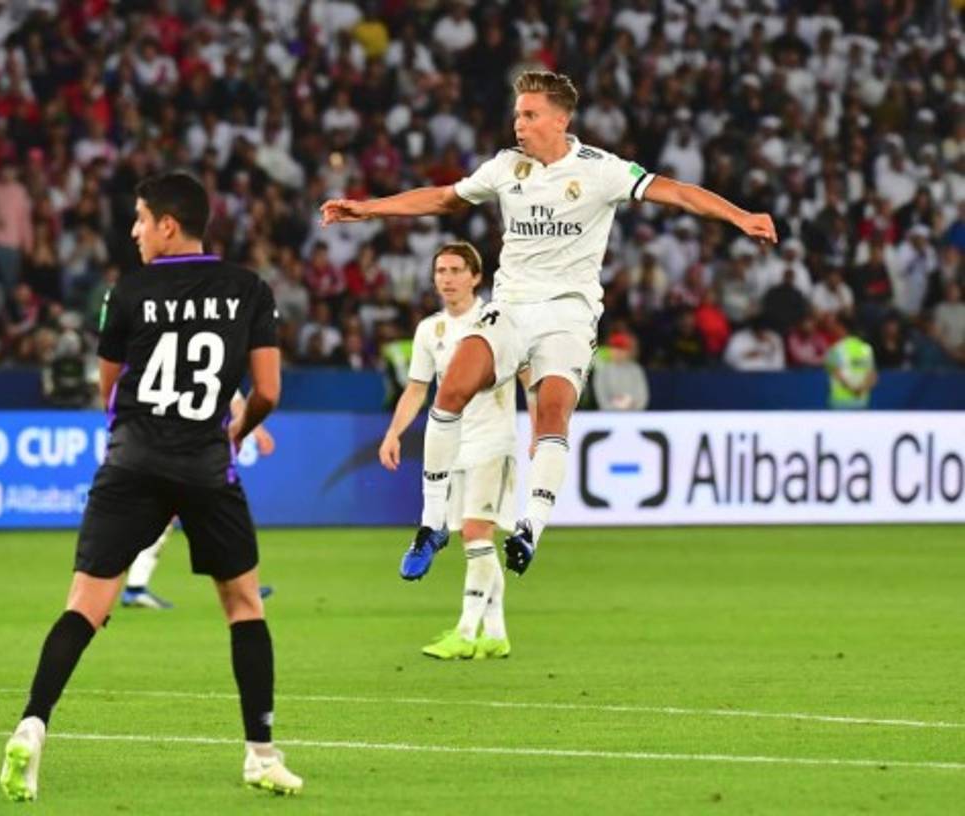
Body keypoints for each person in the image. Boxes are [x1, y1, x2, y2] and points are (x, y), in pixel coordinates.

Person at [322, 70, 776, 576]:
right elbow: (444, 198)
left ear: (561, 120)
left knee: (552, 413)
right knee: (450, 389)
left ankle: (531, 527)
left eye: (530, 114)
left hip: (569, 313)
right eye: (517, 114)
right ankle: (432, 525)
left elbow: (678, 192)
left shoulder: (602, 170)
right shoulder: (505, 167)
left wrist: (739, 216)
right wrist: (369, 209)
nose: (519, 124)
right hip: (512, 306)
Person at [0, 172, 301, 801]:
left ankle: (33, 722)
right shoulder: (249, 289)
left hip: (131, 461)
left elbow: (110, 389)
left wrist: (136, 434)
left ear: (169, 224)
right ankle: (261, 754)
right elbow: (268, 391)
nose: (133, 231)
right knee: (243, 604)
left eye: (139, 219)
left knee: (84, 605)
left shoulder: (126, 292)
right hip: (204, 465)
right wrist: (236, 426)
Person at [379, 242, 529, 660]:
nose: (446, 278)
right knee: (471, 538)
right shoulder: (431, 330)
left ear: (476, 277)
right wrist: (394, 432)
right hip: (452, 448)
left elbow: (528, 374)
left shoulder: (496, 322)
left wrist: (542, 427)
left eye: (455, 270)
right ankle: (496, 633)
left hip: (492, 443)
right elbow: (417, 388)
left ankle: (466, 632)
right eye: (440, 271)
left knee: (476, 533)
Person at [121, 391, 277, 610]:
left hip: (168, 446)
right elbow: (238, 398)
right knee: (216, 516)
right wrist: (256, 431)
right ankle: (242, 585)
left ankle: (134, 586)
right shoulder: (210, 360)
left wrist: (257, 430)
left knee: (176, 516)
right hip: (189, 450)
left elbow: (234, 398)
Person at [825, 318, 878, 409]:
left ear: (841, 328)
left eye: (835, 327)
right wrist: (861, 389)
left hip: (839, 403)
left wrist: (853, 389)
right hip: (861, 402)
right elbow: (873, 377)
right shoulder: (866, 349)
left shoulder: (836, 349)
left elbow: (835, 373)